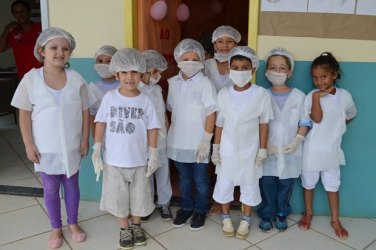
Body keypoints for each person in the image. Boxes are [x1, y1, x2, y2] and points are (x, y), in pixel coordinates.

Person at [11, 27, 94, 249]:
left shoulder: (76, 79)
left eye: (65, 48)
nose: (60, 52)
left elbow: (86, 111)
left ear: (70, 53)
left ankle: (73, 223)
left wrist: (85, 139)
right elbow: (24, 114)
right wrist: (29, 145)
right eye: (54, 47)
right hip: (45, 148)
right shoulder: (31, 79)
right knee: (49, 189)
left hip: (72, 146)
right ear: (42, 50)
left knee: (72, 187)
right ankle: (56, 227)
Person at [91, 48, 161, 249]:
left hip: (139, 160)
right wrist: (97, 147)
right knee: (118, 196)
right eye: (124, 72)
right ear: (116, 74)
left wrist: (153, 153)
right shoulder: (110, 98)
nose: (129, 77)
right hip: (114, 160)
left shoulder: (145, 100)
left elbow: (152, 128)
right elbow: (101, 123)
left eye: (134, 72)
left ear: (141, 74)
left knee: (140, 195)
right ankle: (124, 228)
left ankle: (136, 225)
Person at [211, 46, 273, 239]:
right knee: (224, 183)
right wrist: (216, 148)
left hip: (251, 149)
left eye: (244, 67)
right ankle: (226, 217)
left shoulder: (261, 94)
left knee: (249, 183)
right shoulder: (223, 94)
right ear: (229, 69)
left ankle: (246, 219)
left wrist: (262, 149)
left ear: (253, 70)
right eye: (235, 67)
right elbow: (219, 124)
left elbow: (263, 124)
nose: (239, 71)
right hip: (227, 149)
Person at [298, 52, 357, 240]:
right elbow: (316, 118)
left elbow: (350, 114)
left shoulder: (344, 96)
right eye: (315, 78)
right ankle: (308, 213)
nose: (319, 81)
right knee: (308, 184)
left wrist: (337, 129)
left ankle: (335, 219)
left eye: (323, 77)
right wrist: (316, 97)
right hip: (311, 151)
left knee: (333, 185)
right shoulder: (310, 96)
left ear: (334, 75)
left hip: (331, 150)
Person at [257, 47, 311, 232]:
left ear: (290, 72)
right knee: (267, 182)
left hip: (290, 150)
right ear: (266, 71)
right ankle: (267, 213)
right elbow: (257, 122)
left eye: (282, 68)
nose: (277, 72)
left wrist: (297, 140)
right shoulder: (262, 95)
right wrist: (264, 144)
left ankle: (281, 213)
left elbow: (305, 121)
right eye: (273, 67)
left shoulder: (300, 96)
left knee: (286, 183)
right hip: (268, 149)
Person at [167, 38, 218, 231]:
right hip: (178, 140)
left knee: (201, 180)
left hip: (199, 142)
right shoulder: (173, 83)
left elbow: (211, 112)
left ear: (202, 61)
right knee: (184, 179)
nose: (190, 62)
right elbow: (172, 109)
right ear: (178, 59)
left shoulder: (205, 83)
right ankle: (187, 207)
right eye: (185, 58)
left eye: (194, 58)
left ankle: (200, 210)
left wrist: (206, 138)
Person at [138, 49, 173, 221]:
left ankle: (164, 203)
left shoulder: (157, 89)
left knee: (163, 171)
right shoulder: (136, 90)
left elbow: (162, 113)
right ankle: (148, 204)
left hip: (161, 138)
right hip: (143, 140)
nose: (159, 75)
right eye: (157, 72)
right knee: (146, 173)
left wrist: (168, 131)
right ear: (149, 70)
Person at [0, 0, 42, 79]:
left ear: (29, 12)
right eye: (17, 12)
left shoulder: (41, 27)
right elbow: (0, 49)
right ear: (14, 15)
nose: (20, 14)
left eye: (23, 11)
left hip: (43, 75)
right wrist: (7, 28)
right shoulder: (13, 33)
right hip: (24, 77)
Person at [89, 45, 119, 138]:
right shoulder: (92, 89)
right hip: (103, 138)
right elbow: (92, 116)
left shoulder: (124, 86)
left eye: (108, 61)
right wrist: (96, 142)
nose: (104, 65)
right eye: (100, 61)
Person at [204, 25, 241, 93]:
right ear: (215, 45)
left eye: (229, 41)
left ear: (235, 45)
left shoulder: (240, 65)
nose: (225, 45)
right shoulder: (206, 65)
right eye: (220, 41)